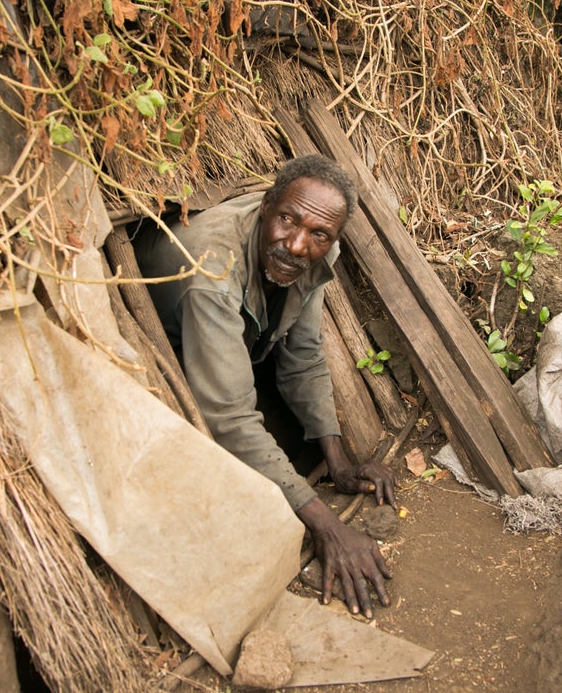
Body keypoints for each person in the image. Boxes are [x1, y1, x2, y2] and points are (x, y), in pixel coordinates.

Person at [135, 155, 397, 618]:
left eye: (319, 234)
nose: (297, 245)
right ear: (265, 206)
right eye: (287, 221)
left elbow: (304, 352)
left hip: (227, 329)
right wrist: (325, 524)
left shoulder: (317, 246)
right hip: (164, 346)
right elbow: (229, 418)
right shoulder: (211, 276)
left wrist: (336, 462)